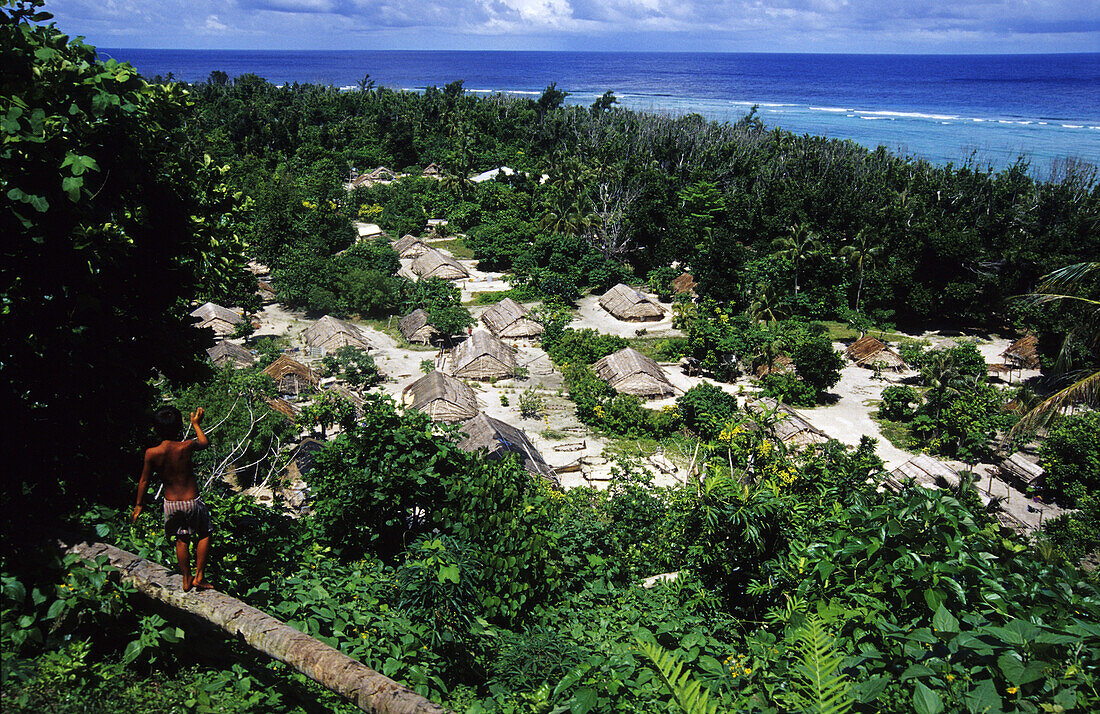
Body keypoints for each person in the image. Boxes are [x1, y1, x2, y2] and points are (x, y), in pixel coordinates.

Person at [131, 406, 213, 591]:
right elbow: (204, 442)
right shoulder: (186, 446)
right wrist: (196, 425)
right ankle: (199, 576)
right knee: (205, 533)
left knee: (181, 539)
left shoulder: (152, 453)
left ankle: (186, 578)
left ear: (155, 429)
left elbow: (144, 480)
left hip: (171, 503)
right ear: (180, 427)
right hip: (192, 500)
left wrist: (139, 505)